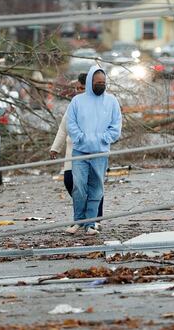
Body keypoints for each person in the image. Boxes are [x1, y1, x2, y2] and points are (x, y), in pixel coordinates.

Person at [65, 66, 122, 236]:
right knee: (79, 187)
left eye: (103, 83)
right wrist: (81, 138)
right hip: (80, 152)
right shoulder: (77, 101)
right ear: (90, 82)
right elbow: (71, 124)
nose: (101, 85)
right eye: (98, 83)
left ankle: (91, 224)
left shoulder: (111, 101)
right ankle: (78, 221)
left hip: (100, 152)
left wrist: (103, 139)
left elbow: (116, 126)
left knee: (96, 188)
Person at [50, 74, 104, 224]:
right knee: (70, 182)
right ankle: (84, 215)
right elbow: (63, 127)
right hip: (71, 152)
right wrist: (55, 148)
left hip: (92, 152)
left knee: (94, 186)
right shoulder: (74, 104)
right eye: (77, 88)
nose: (79, 91)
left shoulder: (98, 104)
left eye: (82, 88)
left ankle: (95, 220)